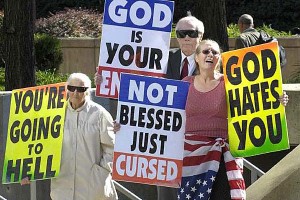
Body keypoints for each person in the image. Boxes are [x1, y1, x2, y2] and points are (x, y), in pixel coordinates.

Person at [178, 39, 288, 200]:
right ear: (196, 57)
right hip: (191, 156)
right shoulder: (185, 84)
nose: (210, 55)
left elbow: (255, 101)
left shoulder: (231, 83)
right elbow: (167, 115)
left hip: (224, 154)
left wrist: (278, 101)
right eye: (206, 51)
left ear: (220, 58)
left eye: (215, 52)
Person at [21, 73, 118, 200]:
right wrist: (29, 171)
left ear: (88, 92)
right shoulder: (54, 114)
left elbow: (112, 147)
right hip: (62, 187)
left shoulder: (100, 114)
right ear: (66, 89)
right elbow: (41, 145)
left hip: (93, 189)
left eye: (81, 89)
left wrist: (100, 172)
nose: (75, 93)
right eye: (71, 88)